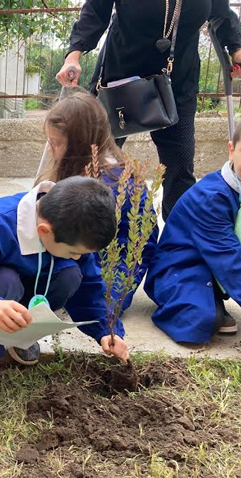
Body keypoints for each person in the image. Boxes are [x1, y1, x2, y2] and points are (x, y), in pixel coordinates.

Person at [0, 177, 130, 418]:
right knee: (5, 281)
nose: (76, 257)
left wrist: (106, 330)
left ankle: (23, 334)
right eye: (73, 252)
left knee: (72, 274)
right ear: (44, 231)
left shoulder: (74, 226)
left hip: (32, 290)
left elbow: (91, 285)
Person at [56, 0, 241, 219]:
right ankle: (78, 229)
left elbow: (221, 13)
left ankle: (177, 243)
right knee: (93, 158)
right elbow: (95, 11)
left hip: (176, 81)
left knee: (179, 167)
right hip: (120, 75)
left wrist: (237, 50)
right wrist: (73, 55)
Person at [145, 107, 241, 343]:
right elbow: (233, 263)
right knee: (198, 322)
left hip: (214, 260)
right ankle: (203, 299)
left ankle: (212, 295)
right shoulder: (211, 198)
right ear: (232, 150)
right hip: (180, 265)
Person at [43, 90, 158, 312]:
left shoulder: (107, 185)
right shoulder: (97, 170)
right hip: (95, 259)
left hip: (113, 267)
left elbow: (139, 242)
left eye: (55, 142)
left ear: (79, 145)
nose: (50, 148)